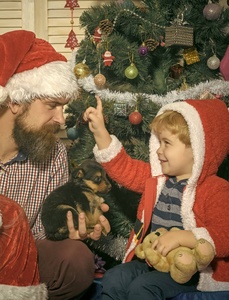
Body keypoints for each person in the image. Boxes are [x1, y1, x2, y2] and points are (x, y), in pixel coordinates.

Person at [83, 95, 229, 299]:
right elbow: (123, 167)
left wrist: (184, 237)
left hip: (190, 273)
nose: (159, 150)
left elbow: (225, 234)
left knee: (142, 288)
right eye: (159, 142)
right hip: (151, 261)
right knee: (114, 277)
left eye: (167, 143)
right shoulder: (157, 179)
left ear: (197, 148)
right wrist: (100, 132)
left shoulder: (216, 189)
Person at [0, 30, 110, 300]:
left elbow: (43, 234)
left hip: (24, 254)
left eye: (64, 107)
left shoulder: (55, 154)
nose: (62, 120)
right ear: (15, 101)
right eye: (52, 105)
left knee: (75, 259)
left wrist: (72, 230)